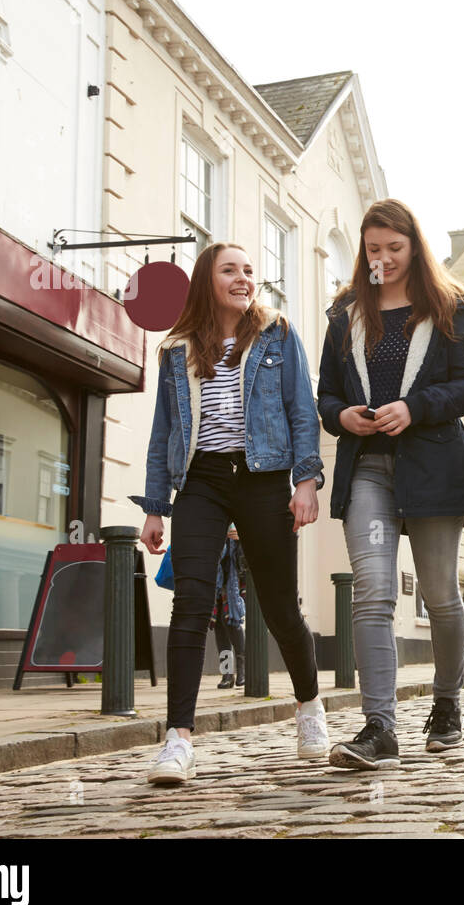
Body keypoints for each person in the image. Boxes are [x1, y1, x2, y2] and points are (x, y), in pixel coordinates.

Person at [134, 242, 327, 785]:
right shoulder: (177, 348)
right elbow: (163, 434)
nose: (244, 278)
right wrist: (155, 508)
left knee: (277, 605)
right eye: (230, 270)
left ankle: (310, 708)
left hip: (263, 477)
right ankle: (178, 739)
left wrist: (306, 481)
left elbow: (301, 411)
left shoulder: (277, 334)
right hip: (201, 482)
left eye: (248, 270)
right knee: (192, 600)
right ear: (207, 281)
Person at [317, 198, 464, 769]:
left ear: (414, 245)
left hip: (434, 466)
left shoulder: (447, 308)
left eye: (394, 248)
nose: (383, 259)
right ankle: (380, 728)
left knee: (441, 595)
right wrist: (341, 417)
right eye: (373, 250)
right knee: (373, 595)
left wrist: (415, 407)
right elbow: (326, 395)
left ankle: (446, 705)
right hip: (367, 467)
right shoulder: (344, 315)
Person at [212, 526, 246, 689]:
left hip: (232, 576)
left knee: (232, 622)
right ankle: (226, 673)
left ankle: (242, 669)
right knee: (218, 624)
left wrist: (241, 537)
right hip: (214, 575)